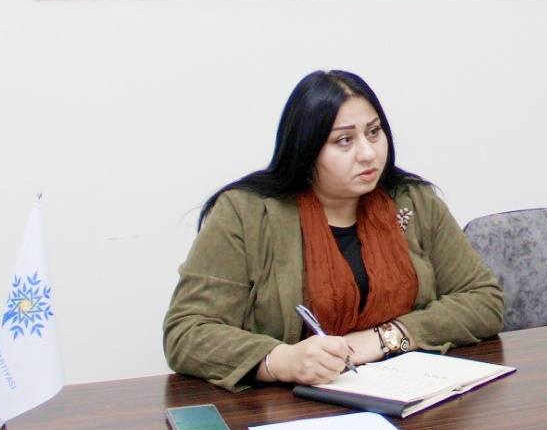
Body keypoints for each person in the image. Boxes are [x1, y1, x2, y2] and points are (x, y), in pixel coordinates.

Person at [164, 70, 503, 389]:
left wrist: (384, 338)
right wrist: (280, 361)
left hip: (407, 395)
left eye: (374, 132)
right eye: (344, 140)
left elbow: (483, 299)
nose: (368, 153)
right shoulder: (247, 213)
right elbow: (187, 331)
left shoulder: (413, 201)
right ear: (307, 150)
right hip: (288, 409)